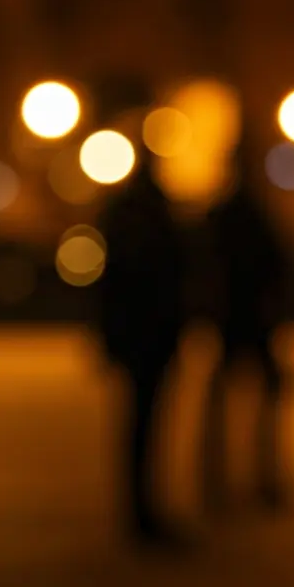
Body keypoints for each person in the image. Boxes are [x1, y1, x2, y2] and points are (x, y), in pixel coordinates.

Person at [96, 147, 189, 545]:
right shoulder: (150, 213)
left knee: (140, 424)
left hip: (140, 333)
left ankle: (139, 507)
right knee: (143, 423)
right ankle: (141, 511)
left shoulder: (124, 211)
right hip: (150, 333)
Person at [200, 125, 290, 513]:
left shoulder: (226, 212)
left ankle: (224, 479)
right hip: (248, 315)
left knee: (233, 401)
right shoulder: (251, 211)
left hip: (239, 315)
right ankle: (248, 478)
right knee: (257, 401)